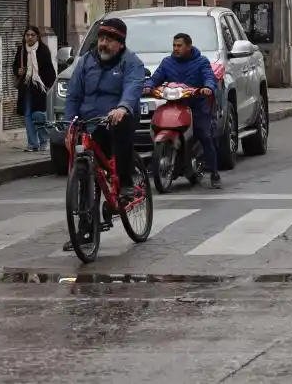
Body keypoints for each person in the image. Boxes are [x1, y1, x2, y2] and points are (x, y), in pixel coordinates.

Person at [61, 18, 145, 252]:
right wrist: (70, 125)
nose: (103, 44)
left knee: (122, 128)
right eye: (101, 38)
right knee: (85, 171)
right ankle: (85, 230)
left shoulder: (131, 62)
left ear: (120, 43)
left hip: (117, 117)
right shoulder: (86, 62)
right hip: (90, 121)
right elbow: (74, 96)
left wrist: (123, 107)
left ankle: (125, 183)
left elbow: (133, 87)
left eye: (108, 40)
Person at [144, 32, 221, 189]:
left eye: (179, 45)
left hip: (196, 106)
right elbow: (156, 77)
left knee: (205, 136)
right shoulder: (167, 62)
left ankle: (214, 173)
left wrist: (207, 87)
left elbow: (208, 77)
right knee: (156, 125)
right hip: (173, 104)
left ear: (189, 46)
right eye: (174, 45)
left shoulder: (201, 61)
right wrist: (148, 86)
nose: (176, 48)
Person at [12, 26, 57, 152]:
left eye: (32, 35)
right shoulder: (21, 50)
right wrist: (18, 71)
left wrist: (48, 86)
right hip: (26, 87)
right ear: (24, 36)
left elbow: (50, 70)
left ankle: (44, 141)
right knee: (27, 115)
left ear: (37, 37)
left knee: (39, 115)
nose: (30, 37)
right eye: (27, 35)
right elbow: (15, 65)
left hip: (40, 87)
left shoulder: (43, 50)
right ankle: (32, 144)